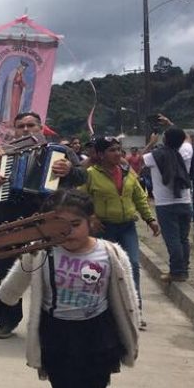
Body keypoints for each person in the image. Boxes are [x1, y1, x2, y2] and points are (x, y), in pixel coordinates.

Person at [0, 190, 140, 388]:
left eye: (75, 224)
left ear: (91, 221)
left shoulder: (111, 253)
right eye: (58, 226)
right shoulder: (40, 255)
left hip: (98, 340)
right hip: (57, 338)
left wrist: (132, 339)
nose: (67, 232)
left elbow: (128, 300)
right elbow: (7, 294)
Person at [0, 111, 86, 339]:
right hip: (10, 217)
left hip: (48, 217)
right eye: (21, 126)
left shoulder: (61, 152)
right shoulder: (3, 153)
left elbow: (84, 177)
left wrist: (70, 171)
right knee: (4, 270)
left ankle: (51, 321)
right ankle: (8, 319)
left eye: (31, 125)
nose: (26, 130)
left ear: (41, 127)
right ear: (14, 130)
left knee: (51, 269)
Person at [83, 137, 159, 329]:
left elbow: (139, 196)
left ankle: (136, 311)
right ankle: (97, 311)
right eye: (112, 150)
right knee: (100, 270)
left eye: (119, 149)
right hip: (103, 229)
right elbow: (81, 197)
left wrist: (149, 219)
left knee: (132, 264)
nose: (118, 153)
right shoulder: (90, 174)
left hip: (127, 227)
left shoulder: (127, 172)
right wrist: (90, 217)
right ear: (100, 154)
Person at [142, 121, 194, 282]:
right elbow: (187, 138)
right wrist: (171, 123)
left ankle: (177, 272)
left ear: (164, 140)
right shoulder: (186, 152)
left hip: (165, 204)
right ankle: (183, 269)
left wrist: (151, 142)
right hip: (185, 201)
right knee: (183, 238)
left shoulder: (155, 156)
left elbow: (139, 160)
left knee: (172, 239)